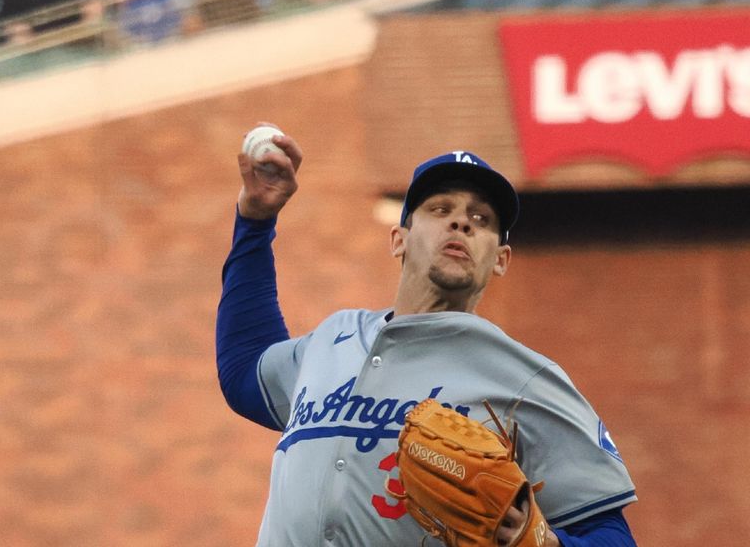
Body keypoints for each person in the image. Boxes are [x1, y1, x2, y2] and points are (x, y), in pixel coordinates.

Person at [216, 131, 639, 546]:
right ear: (399, 239)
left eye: (481, 219)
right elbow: (244, 371)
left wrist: (542, 542)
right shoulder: (332, 339)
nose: (461, 221)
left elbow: (612, 536)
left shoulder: (526, 378)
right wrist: (254, 222)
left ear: (501, 260)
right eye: (440, 209)